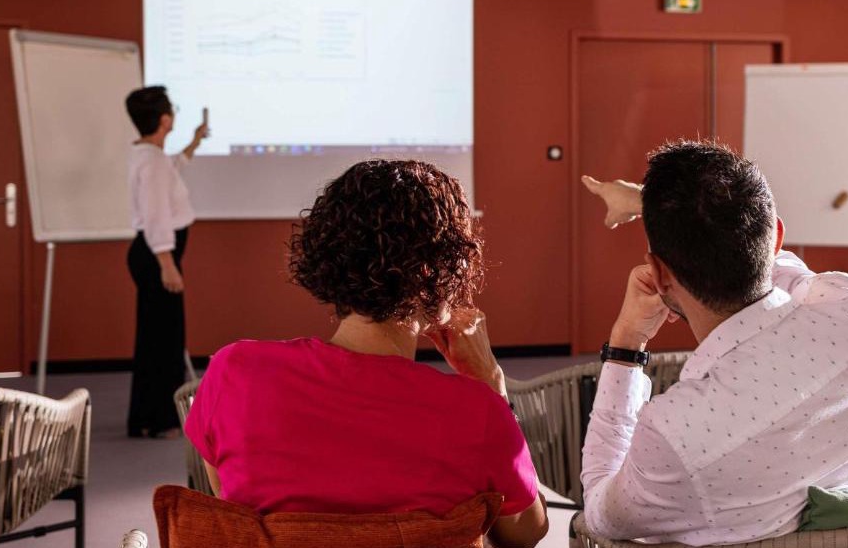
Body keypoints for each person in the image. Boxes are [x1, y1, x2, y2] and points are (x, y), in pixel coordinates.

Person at [185, 160, 548, 547]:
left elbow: (231, 504)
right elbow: (525, 534)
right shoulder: (478, 411)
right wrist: (491, 383)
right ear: (441, 269)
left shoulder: (234, 372)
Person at [579, 140, 848, 545]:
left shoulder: (674, 436)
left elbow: (601, 512)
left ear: (657, 274)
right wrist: (649, 205)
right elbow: (770, 264)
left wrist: (626, 345)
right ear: (776, 234)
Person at [124, 86, 208, 438]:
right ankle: (162, 420)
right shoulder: (153, 163)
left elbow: (172, 166)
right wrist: (168, 264)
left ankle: (145, 418)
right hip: (159, 255)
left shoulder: (147, 155)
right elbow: (157, 215)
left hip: (151, 254)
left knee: (154, 336)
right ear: (164, 119)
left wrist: (193, 143)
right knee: (166, 339)